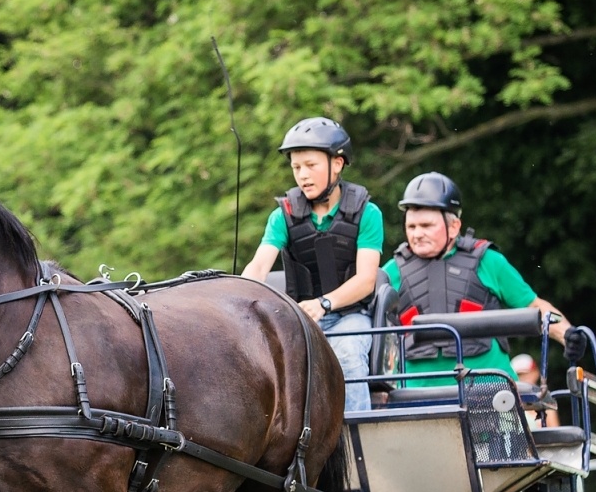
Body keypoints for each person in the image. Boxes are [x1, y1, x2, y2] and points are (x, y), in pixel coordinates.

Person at [242, 117, 384, 413]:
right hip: (301, 318)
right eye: (296, 167)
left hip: (351, 316)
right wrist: (237, 298)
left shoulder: (368, 213)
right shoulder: (282, 215)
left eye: (310, 165)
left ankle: (358, 434)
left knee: (348, 353)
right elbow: (258, 267)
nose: (302, 175)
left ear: (338, 163)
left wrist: (324, 303)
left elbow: (366, 280)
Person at [379, 172, 564, 389]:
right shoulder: (391, 271)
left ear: (454, 226)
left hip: (491, 390)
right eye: (411, 227)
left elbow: (533, 305)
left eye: (426, 225)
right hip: (414, 395)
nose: (417, 234)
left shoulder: (488, 261)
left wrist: (569, 335)